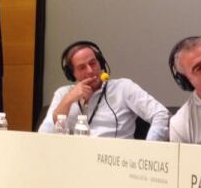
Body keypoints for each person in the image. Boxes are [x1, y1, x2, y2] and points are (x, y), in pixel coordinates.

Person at [39, 40, 170, 139]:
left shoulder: (123, 88)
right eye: (82, 67)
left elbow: (161, 114)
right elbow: (43, 136)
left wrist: (149, 150)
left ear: (100, 63)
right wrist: (67, 101)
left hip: (115, 165)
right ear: (72, 74)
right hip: (75, 164)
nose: (90, 71)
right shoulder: (63, 94)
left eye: (92, 63)